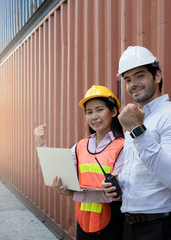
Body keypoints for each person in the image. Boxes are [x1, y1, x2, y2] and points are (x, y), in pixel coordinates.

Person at [102, 46, 171, 240]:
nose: (133, 84)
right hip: (131, 226)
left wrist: (137, 130)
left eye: (140, 76)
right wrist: (120, 184)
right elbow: (143, 171)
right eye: (127, 79)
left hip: (161, 227)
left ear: (157, 76)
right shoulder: (135, 117)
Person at [34, 85, 125, 240]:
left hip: (113, 222)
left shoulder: (122, 146)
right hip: (83, 221)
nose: (94, 116)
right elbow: (57, 167)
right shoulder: (81, 146)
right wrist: (40, 144)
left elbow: (115, 194)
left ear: (114, 112)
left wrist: (73, 193)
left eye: (99, 110)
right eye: (89, 112)